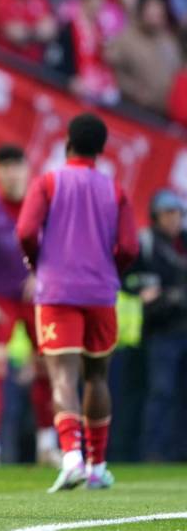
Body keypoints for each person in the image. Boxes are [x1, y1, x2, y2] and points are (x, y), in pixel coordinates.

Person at [17, 113, 138, 492]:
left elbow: (25, 230)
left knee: (63, 376)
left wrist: (38, 262)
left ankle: (71, 458)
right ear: (102, 150)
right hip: (101, 293)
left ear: (67, 142)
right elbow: (130, 246)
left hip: (57, 292)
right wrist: (109, 269)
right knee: (97, 377)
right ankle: (98, 466)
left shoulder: (48, 182)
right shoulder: (115, 189)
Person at [0, 145, 59, 470]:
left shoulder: (45, 207)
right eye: (4, 167)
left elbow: (59, 252)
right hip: (1, 302)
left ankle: (47, 445)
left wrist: (42, 276)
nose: (11, 174)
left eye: (16, 166)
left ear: (27, 169)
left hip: (38, 300)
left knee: (47, 369)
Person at [136, 189, 187, 461]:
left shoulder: (184, 243)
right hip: (161, 331)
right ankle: (153, 451)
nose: (173, 219)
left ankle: (181, 451)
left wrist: (170, 295)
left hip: (183, 327)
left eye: (177, 213)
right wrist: (168, 296)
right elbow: (134, 284)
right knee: (161, 392)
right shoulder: (146, 244)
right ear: (155, 216)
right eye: (168, 213)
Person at [105, 0, 181, 115]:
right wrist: (134, 91)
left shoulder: (169, 42)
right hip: (134, 111)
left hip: (165, 113)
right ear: (141, 13)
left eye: (158, 14)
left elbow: (178, 73)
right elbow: (112, 71)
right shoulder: (126, 38)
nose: (154, 18)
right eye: (151, 14)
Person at [0, 0, 58, 64]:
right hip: (2, 64)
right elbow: (17, 36)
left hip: (32, 67)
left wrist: (29, 32)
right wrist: (37, 31)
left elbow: (50, 31)